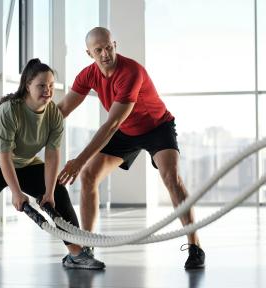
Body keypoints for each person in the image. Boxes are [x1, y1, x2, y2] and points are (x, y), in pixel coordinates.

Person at [0, 59, 105, 282]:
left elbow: (53, 155)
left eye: (52, 85)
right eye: (42, 85)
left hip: (24, 162)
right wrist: (16, 193)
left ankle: (75, 254)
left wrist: (50, 192)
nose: (48, 90)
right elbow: (4, 156)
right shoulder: (9, 111)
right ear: (28, 85)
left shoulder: (53, 114)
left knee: (61, 194)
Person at [57, 27, 205, 269]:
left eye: (108, 47)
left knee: (171, 178)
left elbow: (112, 123)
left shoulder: (131, 72)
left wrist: (79, 159)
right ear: (89, 54)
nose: (105, 53)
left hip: (157, 127)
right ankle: (86, 249)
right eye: (98, 50)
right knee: (89, 176)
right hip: (126, 131)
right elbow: (62, 110)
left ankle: (195, 246)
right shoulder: (87, 75)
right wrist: (27, 124)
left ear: (114, 45)